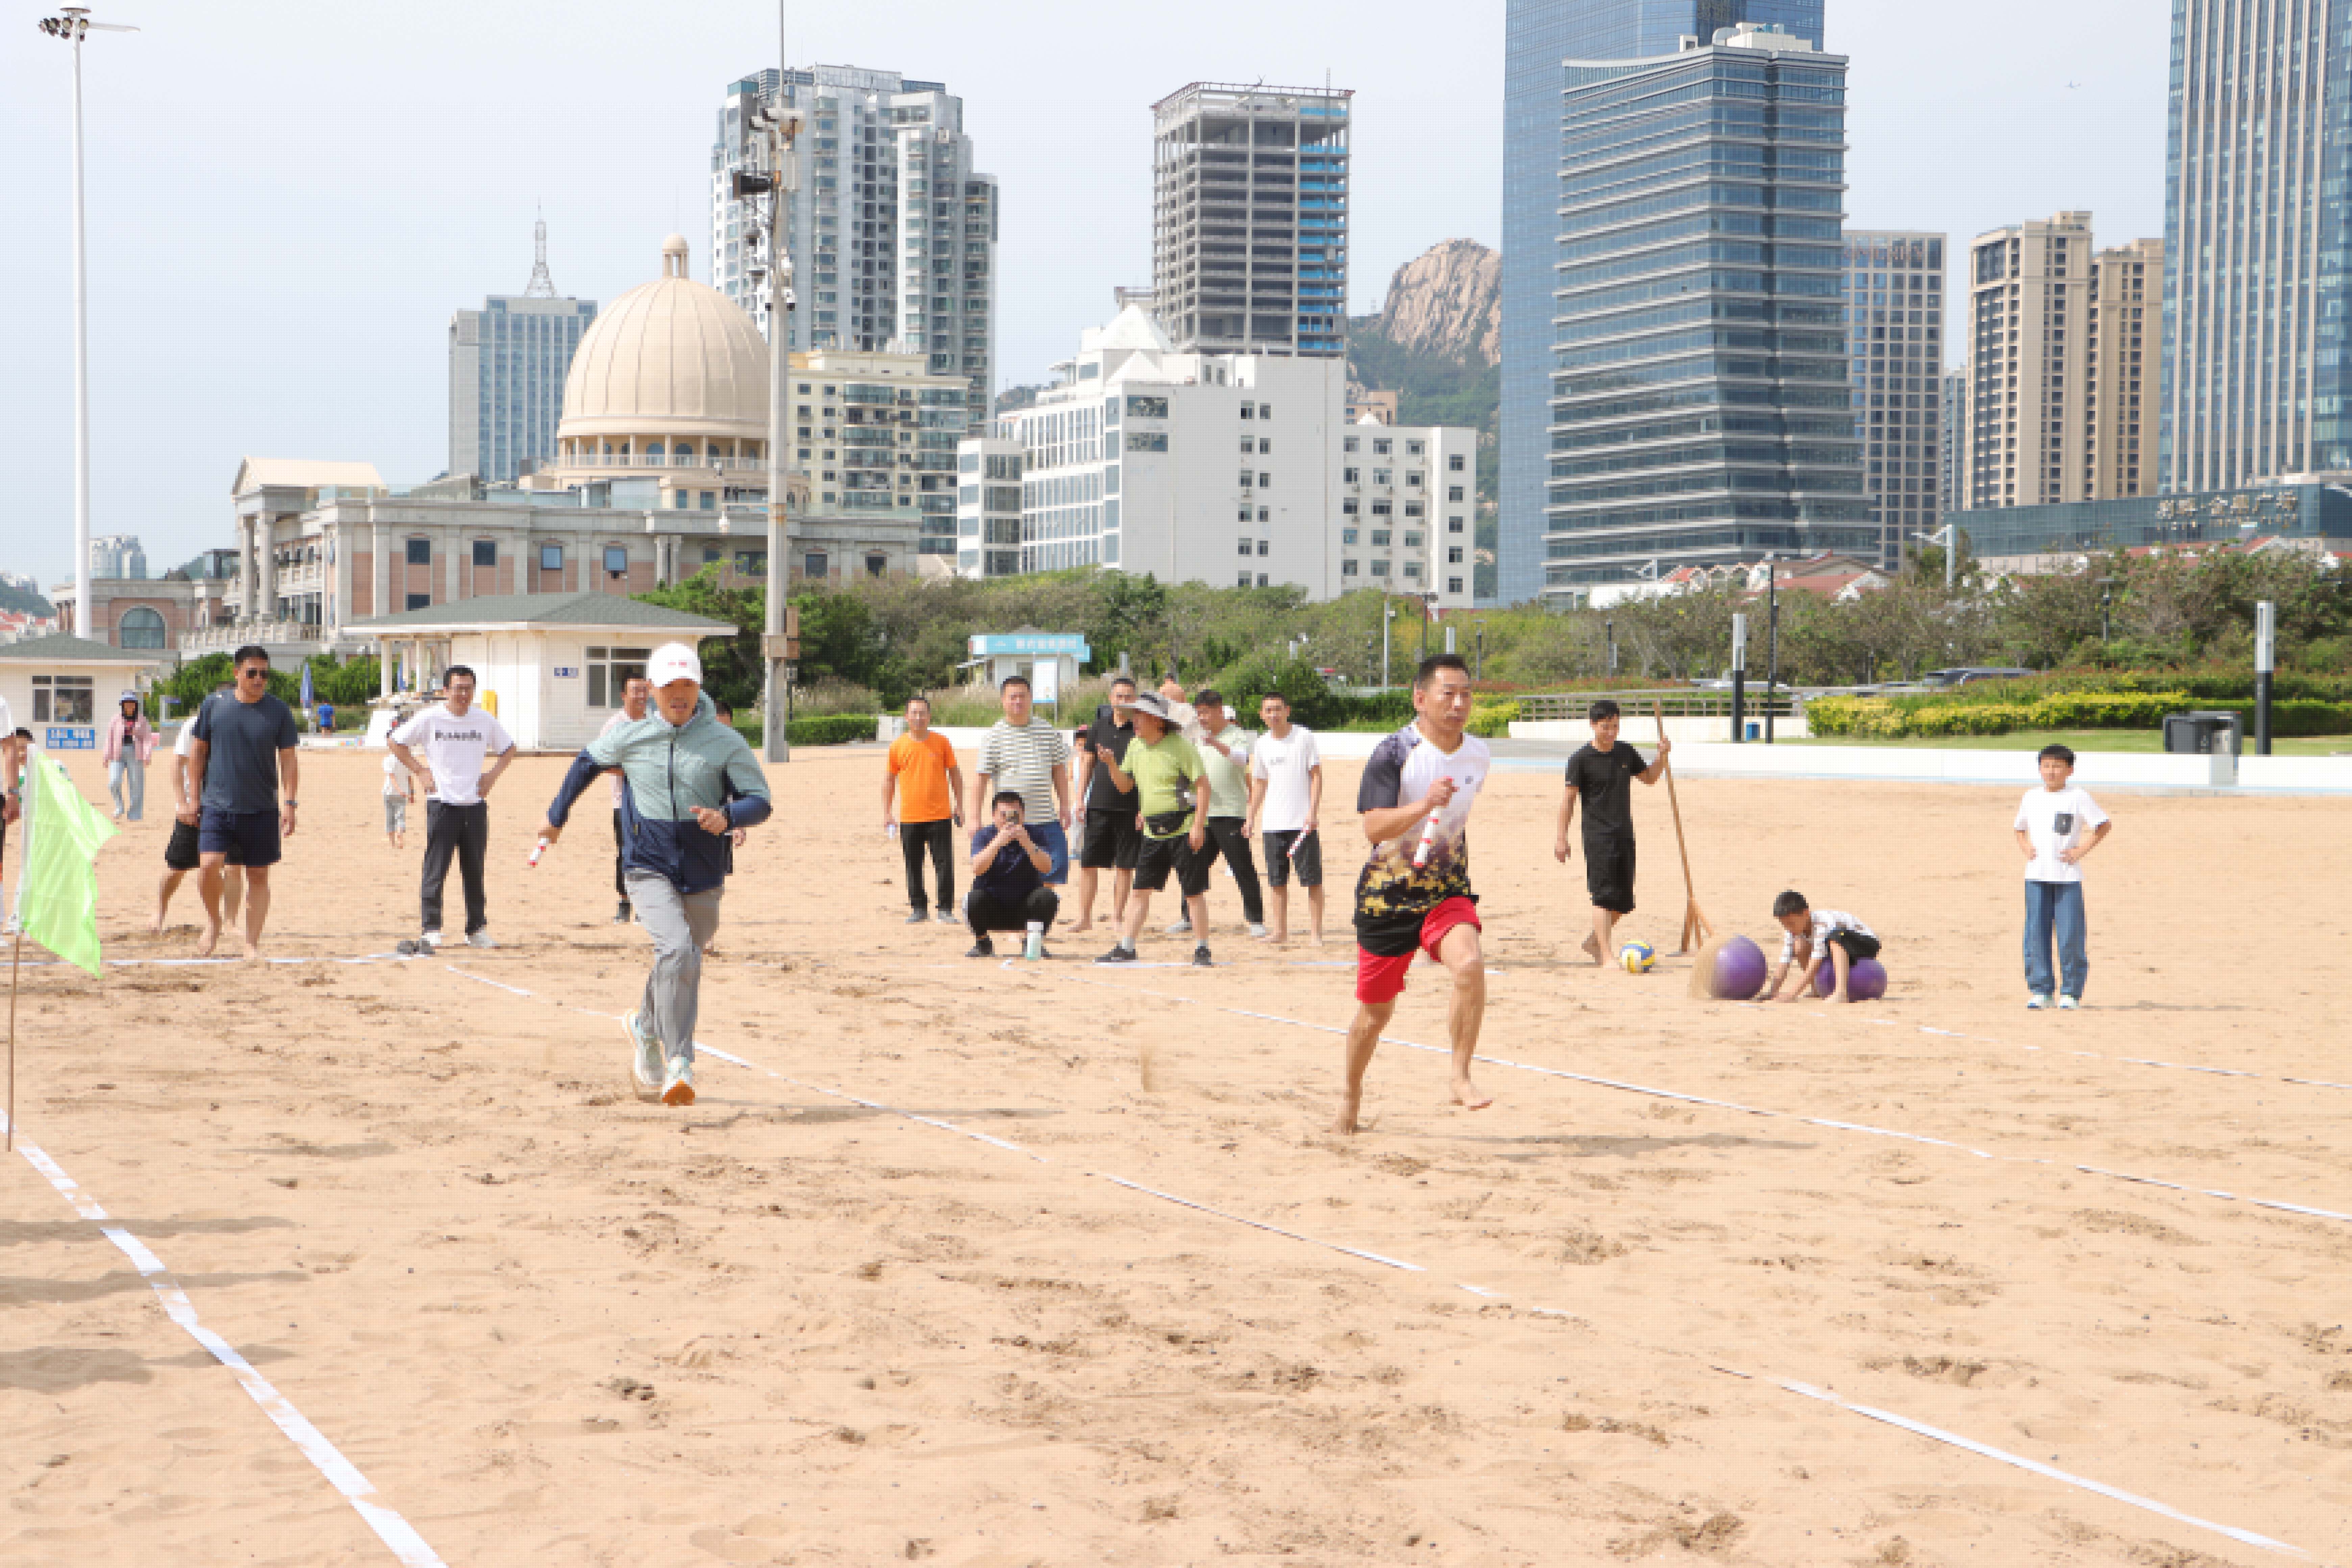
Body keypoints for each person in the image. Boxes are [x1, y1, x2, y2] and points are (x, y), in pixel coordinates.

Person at [540, 642, 770, 1107]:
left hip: (704, 867)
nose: (678, 695)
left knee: (686, 959)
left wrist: (728, 816)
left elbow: (760, 800)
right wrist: (556, 817)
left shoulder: (726, 742)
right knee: (677, 950)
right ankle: (679, 1061)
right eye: (669, 687)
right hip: (647, 864)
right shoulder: (631, 736)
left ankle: (645, 1025)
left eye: (686, 685)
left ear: (698, 687)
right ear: (652, 692)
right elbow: (587, 762)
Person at [1335, 654, 1493, 1134]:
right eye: (1448, 693)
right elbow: (1373, 827)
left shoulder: (1479, 755)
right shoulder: (1394, 752)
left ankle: (1460, 1075)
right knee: (1374, 1014)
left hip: (1445, 890)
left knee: (1469, 965)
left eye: (1466, 693)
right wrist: (1424, 805)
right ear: (1420, 699)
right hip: (1387, 899)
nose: (1459, 703)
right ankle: (1351, 1093)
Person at [388, 665, 516, 949]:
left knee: (474, 869)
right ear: (446, 690)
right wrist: (419, 771)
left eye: (468, 688)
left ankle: (476, 929)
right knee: (436, 867)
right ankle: (431, 927)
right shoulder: (431, 718)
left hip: (474, 804)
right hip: (442, 803)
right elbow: (396, 742)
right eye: (457, 688)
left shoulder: (484, 720)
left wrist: (492, 776)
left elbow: (509, 748)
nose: (463, 694)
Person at [186, 646, 300, 959]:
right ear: (237, 673)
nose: (259, 679)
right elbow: (198, 753)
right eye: (252, 673)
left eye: (264, 673)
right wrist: (193, 798)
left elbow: (289, 761)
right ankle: (214, 922)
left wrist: (290, 803)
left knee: (259, 875)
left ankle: (252, 943)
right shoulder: (214, 706)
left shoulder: (278, 711)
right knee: (208, 867)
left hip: (262, 807)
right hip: (216, 804)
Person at [1090, 691, 1213, 966]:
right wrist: (1110, 764)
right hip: (1152, 831)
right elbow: (1125, 786)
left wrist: (1198, 826)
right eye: (1135, 715)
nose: (1136, 721)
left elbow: (1203, 786)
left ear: (1158, 721)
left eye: (1141, 716)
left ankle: (1202, 948)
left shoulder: (1181, 746)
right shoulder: (1135, 747)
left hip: (1183, 826)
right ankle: (1126, 947)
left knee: (1193, 892)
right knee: (1140, 891)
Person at [1553, 699, 1671, 966]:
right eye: (1605, 727)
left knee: (1623, 901)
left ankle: (1594, 941)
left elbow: (1651, 778)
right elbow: (1568, 801)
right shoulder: (1580, 760)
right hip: (1597, 836)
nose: (1611, 732)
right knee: (1603, 896)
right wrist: (1562, 838)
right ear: (1593, 725)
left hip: (1624, 833)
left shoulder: (1625, 753)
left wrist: (1662, 757)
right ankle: (1607, 955)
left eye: (1615, 727)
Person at [2015, 743, 2112, 1010]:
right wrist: (2025, 847)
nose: (2051, 771)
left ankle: (2071, 992)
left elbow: (2103, 825)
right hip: (2036, 876)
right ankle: (2041, 991)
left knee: (2070, 935)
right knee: (2036, 933)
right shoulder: (2031, 797)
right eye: (2046, 766)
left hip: (2067, 877)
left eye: (2057, 766)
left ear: (2069, 770)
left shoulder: (2078, 796)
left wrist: (2081, 850)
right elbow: (2019, 829)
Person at [1166, 689, 1267, 939]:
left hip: (1230, 812)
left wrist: (1215, 743)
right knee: (1193, 865)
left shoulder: (1235, 734)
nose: (1201, 718)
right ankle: (1187, 917)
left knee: (1242, 866)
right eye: (1198, 713)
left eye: (1206, 713)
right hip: (1202, 813)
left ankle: (1255, 919)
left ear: (1219, 711)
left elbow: (1242, 759)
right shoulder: (1195, 737)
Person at [153, 688, 243, 935]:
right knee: (177, 867)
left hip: (232, 806)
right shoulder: (194, 724)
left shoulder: (241, 720)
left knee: (234, 866)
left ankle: (230, 922)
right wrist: (183, 803)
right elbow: (177, 763)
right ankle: (160, 912)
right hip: (196, 807)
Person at [970, 675, 1072, 885]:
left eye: (1023, 697)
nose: (1018, 702)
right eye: (1013, 697)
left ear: (1031, 698)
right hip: (1010, 822)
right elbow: (981, 780)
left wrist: (1065, 806)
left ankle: (1041, 918)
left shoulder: (1047, 731)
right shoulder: (993, 736)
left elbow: (1059, 771)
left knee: (1051, 875)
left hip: (1045, 818)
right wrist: (974, 819)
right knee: (1012, 878)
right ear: (1003, 700)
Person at [1246, 692, 1325, 946]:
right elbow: (1259, 783)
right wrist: (1251, 817)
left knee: (1312, 880)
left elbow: (1316, 776)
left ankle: (1316, 933)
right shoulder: (1261, 744)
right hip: (1273, 825)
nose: (1274, 715)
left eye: (1278, 709)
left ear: (1288, 710)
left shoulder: (1304, 737)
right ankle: (1280, 931)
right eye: (1268, 710)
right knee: (1277, 881)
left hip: (1302, 824)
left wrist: (1312, 812)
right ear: (1262, 715)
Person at [884, 695, 964, 923]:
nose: (918, 717)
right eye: (914, 713)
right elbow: (889, 780)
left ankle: (945, 909)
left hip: (940, 815)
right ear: (906, 716)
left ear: (930, 716)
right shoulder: (898, 746)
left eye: (923, 713)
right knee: (913, 864)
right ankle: (919, 908)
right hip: (910, 817)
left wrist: (959, 805)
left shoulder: (942, 743)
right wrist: (887, 813)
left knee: (944, 863)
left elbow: (955, 775)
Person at [1071, 676, 1141, 934]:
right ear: (1111, 699)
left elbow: (1144, 771)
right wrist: (1080, 798)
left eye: (1128, 696)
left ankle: (1118, 917)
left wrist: (1143, 809)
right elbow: (1087, 764)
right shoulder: (1098, 727)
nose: (1123, 701)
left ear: (1136, 700)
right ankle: (1084, 917)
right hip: (1098, 804)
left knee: (1125, 865)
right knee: (1088, 863)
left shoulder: (1140, 729)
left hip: (1129, 806)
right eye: (1119, 696)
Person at [964, 790, 1060, 958]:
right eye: (1004, 815)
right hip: (993, 907)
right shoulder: (984, 836)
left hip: (1025, 908)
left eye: (1015, 815)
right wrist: (997, 843)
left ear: (1023, 815)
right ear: (994, 816)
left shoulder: (1035, 834)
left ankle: (1031, 942)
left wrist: (1029, 844)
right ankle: (983, 943)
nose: (1009, 820)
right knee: (973, 899)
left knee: (1048, 897)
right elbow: (977, 869)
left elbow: (1047, 868)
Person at [1759, 891, 1880, 1004]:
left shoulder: (1823, 923)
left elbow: (1815, 964)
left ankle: (1841, 993)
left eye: (1791, 924)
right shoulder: (1791, 932)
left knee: (1837, 936)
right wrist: (1772, 993)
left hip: (1865, 943)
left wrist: (1792, 995)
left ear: (1806, 914)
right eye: (1784, 925)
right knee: (1800, 945)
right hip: (1839, 946)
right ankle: (1816, 990)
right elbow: (1784, 963)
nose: (1788, 928)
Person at [599, 676, 652, 923]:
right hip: (623, 803)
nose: (641, 696)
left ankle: (645, 905)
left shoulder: (655, 723)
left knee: (650, 853)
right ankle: (624, 901)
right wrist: (635, 768)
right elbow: (602, 762)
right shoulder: (614, 726)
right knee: (626, 852)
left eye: (644, 690)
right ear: (623, 695)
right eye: (635, 691)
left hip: (652, 804)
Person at [102, 691, 156, 823]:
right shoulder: (115, 720)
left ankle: (135, 814)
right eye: (127, 704)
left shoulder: (142, 720)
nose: (129, 707)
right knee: (114, 781)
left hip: (136, 753)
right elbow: (109, 738)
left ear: (136, 705)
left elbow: (147, 739)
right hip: (118, 754)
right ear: (122, 705)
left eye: (132, 704)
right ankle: (119, 806)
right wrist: (106, 756)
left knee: (136, 784)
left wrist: (147, 755)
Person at [382, 747, 414, 849]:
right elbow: (410, 779)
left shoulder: (388, 760)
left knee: (390, 817)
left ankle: (393, 844)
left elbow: (392, 777)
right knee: (400, 816)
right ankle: (400, 834)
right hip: (404, 793)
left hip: (389, 792)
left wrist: (398, 790)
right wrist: (412, 794)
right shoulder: (407, 761)